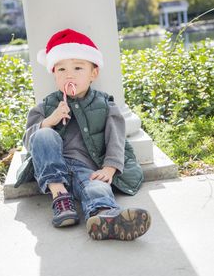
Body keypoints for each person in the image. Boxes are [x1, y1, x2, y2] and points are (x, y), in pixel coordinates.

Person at [15, 28, 151, 241]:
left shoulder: (105, 104)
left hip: (86, 168)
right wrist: (49, 121)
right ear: (54, 74)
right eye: (61, 70)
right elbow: (29, 142)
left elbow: (116, 138)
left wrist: (109, 167)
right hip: (53, 169)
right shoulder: (46, 106)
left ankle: (105, 217)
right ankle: (60, 198)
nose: (69, 75)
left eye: (78, 67)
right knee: (43, 135)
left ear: (93, 73)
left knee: (97, 187)